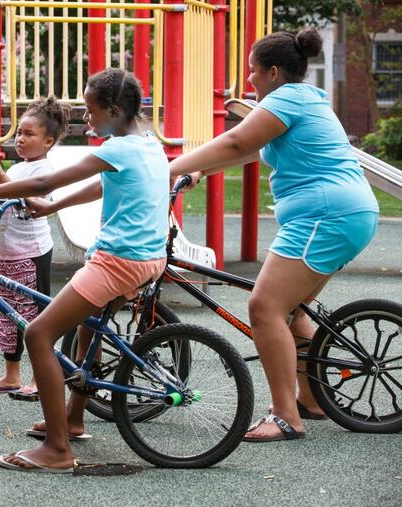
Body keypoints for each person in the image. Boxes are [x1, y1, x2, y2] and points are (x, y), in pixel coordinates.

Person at [0, 68, 169, 473]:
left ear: (115, 110)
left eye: (91, 111)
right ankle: (73, 418)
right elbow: (105, 185)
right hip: (148, 259)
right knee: (88, 328)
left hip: (118, 261)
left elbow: (45, 179)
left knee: (38, 333)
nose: (87, 119)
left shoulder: (117, 149)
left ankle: (57, 449)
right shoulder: (146, 142)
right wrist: (54, 207)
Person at [169, 27, 379, 442]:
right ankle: (312, 399)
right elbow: (251, 149)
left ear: (274, 72)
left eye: (253, 71)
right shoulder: (307, 98)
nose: (249, 80)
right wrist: (198, 171)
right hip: (347, 210)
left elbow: (234, 142)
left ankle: (285, 417)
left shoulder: (285, 99)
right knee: (294, 310)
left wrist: (169, 166)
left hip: (325, 213)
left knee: (265, 307)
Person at [0, 97, 69, 399]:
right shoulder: (20, 167)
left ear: (48, 142)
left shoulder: (42, 170)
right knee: (7, 315)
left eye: (28, 134)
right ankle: (11, 375)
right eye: (18, 132)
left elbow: (24, 197)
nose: (19, 139)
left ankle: (40, 377)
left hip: (30, 254)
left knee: (34, 317)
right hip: (5, 254)